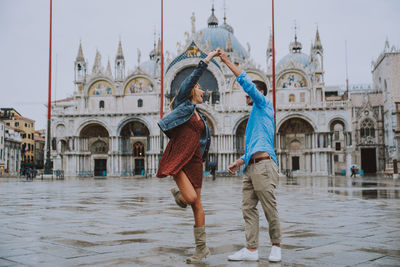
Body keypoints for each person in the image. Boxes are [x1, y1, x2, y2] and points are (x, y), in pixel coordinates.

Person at [217, 48, 282, 262]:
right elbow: (255, 144)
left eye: (250, 93)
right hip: (251, 166)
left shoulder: (264, 104)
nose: (246, 96)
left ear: (259, 93)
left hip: (264, 165)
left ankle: (276, 246)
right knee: (248, 208)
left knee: (268, 207)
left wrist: (226, 60)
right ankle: (251, 250)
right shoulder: (255, 115)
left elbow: (245, 82)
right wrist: (241, 160)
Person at [156, 50, 219, 264]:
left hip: (194, 161)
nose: (204, 90)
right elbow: (193, 76)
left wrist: (202, 158)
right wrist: (207, 60)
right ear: (192, 90)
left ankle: (201, 250)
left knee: (197, 205)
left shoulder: (200, 115)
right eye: (201, 88)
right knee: (191, 198)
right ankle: (180, 194)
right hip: (179, 158)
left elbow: (202, 140)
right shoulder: (183, 103)